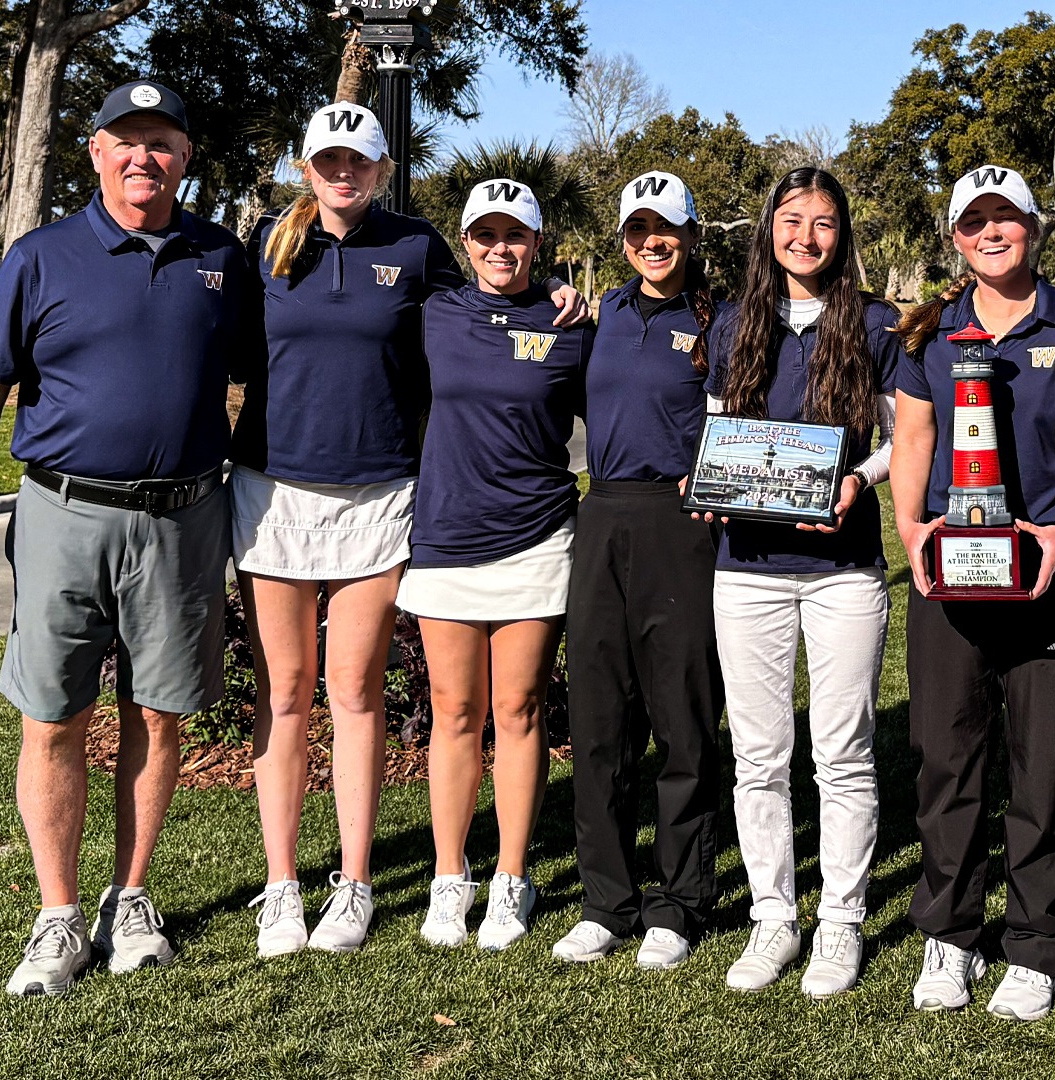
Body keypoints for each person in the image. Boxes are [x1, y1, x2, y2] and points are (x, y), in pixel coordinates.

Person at [229, 103, 583, 958]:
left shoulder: (417, 247)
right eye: (327, 160)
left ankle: (352, 886)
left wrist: (563, 299)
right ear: (306, 167)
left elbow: (494, 320)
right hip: (272, 488)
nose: (342, 173)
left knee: (352, 692)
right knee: (284, 693)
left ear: (382, 169)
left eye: (358, 161)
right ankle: (282, 888)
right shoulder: (265, 247)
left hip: (380, 491)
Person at [0, 81, 261, 995]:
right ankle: (58, 916)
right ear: (94, 153)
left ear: (186, 158)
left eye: (161, 143)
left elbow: (284, 355)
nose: (142, 158)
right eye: (125, 141)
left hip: (184, 518)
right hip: (62, 513)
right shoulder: (41, 257)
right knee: (53, 718)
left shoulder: (221, 260)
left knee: (159, 715)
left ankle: (131, 899)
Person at [890, 166, 1055, 1021]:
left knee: (1045, 761)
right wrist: (912, 531)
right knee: (947, 761)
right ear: (955, 236)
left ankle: (1036, 941)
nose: (993, 233)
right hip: (950, 571)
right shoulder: (931, 330)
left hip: (1046, 574)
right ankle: (950, 938)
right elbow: (914, 437)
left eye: (1008, 219)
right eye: (975, 221)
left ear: (1033, 227)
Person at [704, 167, 901, 997]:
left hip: (843, 571)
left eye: (823, 223)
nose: (806, 237)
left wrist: (858, 478)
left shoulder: (879, 323)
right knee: (758, 756)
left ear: (841, 233)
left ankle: (843, 922)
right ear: (769, 229)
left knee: (842, 751)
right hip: (744, 571)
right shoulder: (731, 322)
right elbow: (718, 428)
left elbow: (901, 440)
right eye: (791, 220)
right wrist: (707, 483)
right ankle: (774, 916)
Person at [405, 179, 594, 954]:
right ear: (466, 241)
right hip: (447, 536)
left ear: (538, 243)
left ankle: (512, 878)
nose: (499, 249)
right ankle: (452, 879)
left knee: (518, 713)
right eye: (484, 235)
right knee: (453, 714)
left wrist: (568, 294)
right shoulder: (434, 314)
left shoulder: (571, 323)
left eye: (514, 235)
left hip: (537, 535)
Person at [551, 171, 726, 971]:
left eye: (665, 229)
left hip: (683, 522)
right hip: (603, 512)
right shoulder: (599, 315)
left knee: (682, 716)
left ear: (692, 234)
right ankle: (605, 900)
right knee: (598, 716)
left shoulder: (718, 319)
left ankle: (679, 900)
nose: (650, 243)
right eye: (636, 230)